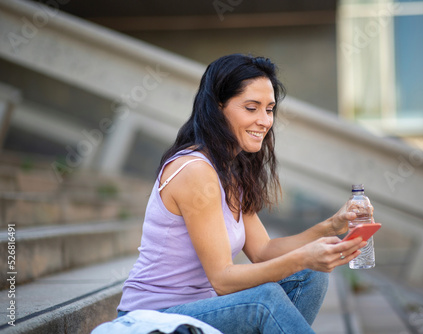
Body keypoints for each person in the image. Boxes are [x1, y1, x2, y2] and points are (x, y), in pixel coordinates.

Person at [116, 54, 366, 333]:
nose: (264, 121)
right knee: (264, 301)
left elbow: (262, 252)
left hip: (201, 309)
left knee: (309, 276)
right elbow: (222, 278)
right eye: (251, 108)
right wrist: (303, 256)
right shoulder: (195, 171)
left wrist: (331, 227)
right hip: (155, 318)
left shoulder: (230, 171)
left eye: (269, 109)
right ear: (218, 107)